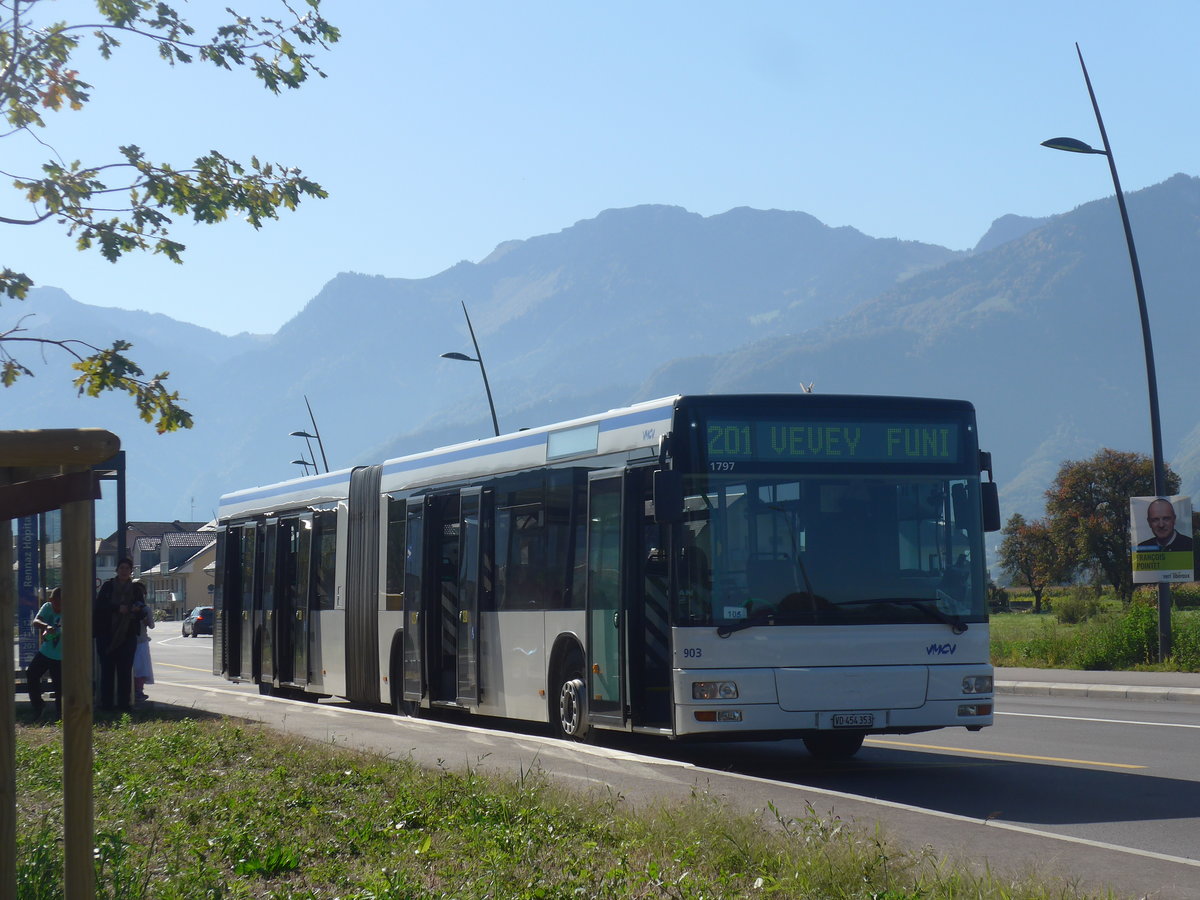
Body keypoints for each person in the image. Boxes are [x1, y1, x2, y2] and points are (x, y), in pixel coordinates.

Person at [94, 557, 146, 711]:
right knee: (107, 671)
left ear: (131, 571)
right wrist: (117, 608)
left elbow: (142, 610)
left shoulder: (136, 589)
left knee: (125, 671)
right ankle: (106, 704)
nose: (124, 571)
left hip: (127, 634)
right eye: (121, 568)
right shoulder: (108, 587)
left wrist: (135, 610)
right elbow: (100, 607)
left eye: (127, 568)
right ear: (117, 570)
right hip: (107, 635)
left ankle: (124, 705)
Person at [27, 587, 64, 718]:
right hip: (46, 652)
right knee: (31, 674)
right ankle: (38, 706)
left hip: (61, 656)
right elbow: (36, 621)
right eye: (57, 603)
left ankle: (60, 713)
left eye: (62, 603)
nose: (59, 607)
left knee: (59, 687)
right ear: (51, 600)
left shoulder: (70, 611)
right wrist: (46, 626)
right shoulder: (47, 607)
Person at [133, 589, 155, 702]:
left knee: (133, 667)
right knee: (141, 668)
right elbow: (152, 625)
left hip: (129, 640)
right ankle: (138, 690)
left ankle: (134, 690)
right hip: (141, 641)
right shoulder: (146, 609)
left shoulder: (127, 607)